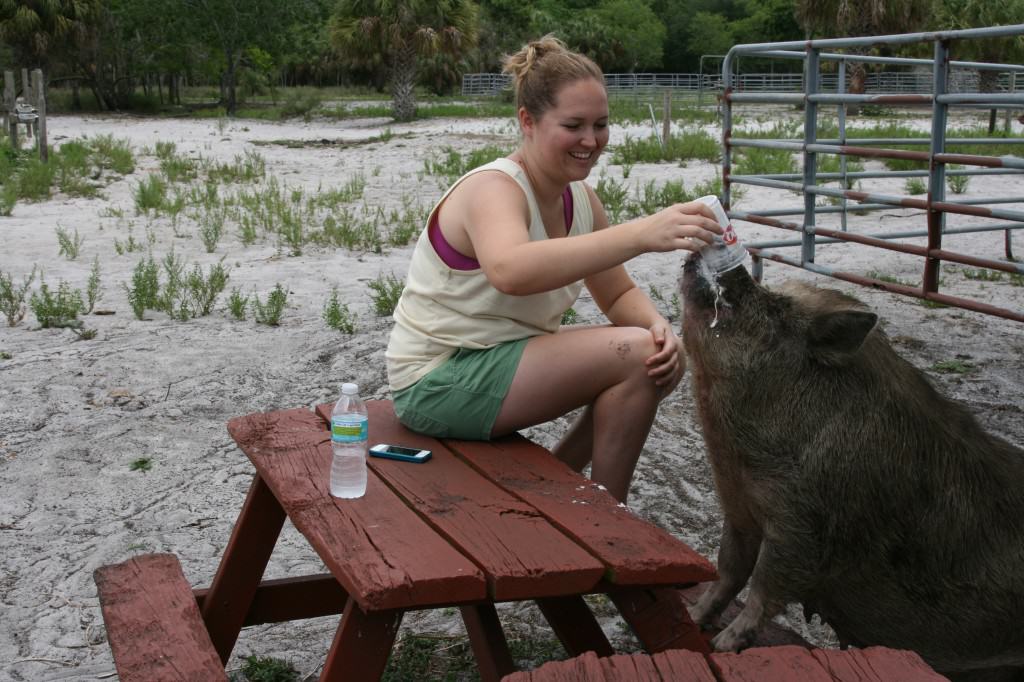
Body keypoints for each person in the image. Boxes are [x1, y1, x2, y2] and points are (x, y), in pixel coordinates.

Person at [385, 35, 722, 503]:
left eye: (601, 125)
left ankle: (563, 492)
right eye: (574, 125)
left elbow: (616, 293)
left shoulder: (581, 199)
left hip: (499, 362)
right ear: (527, 121)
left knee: (658, 356)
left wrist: (658, 326)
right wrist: (642, 233)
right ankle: (606, 521)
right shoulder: (494, 188)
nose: (591, 140)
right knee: (636, 356)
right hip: (437, 381)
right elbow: (511, 270)